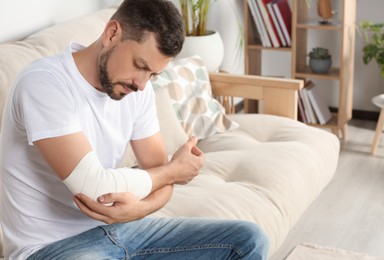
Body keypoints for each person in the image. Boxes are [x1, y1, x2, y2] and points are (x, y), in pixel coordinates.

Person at [0, 0, 269, 259]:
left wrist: (139, 209)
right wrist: (174, 170)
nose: (142, 84)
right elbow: (94, 187)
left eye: (153, 74)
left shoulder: (138, 91)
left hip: (123, 231)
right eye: (140, 66)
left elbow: (161, 180)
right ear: (112, 33)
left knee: (248, 240)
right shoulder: (44, 84)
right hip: (52, 247)